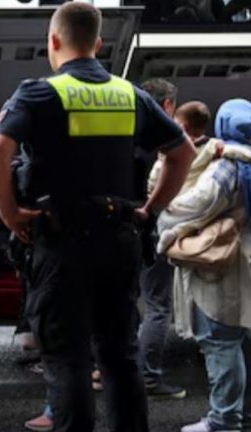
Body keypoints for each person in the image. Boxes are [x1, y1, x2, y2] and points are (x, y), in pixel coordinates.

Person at [0, 4, 196, 432]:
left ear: (53, 40)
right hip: (119, 237)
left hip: (62, 243)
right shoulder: (130, 94)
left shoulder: (39, 93)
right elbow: (182, 152)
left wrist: (11, 214)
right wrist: (149, 209)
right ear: (98, 44)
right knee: (120, 357)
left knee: (68, 360)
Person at [157, 99, 251, 432]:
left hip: (222, 268)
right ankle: (240, 414)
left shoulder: (229, 167)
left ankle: (224, 419)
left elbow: (196, 205)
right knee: (240, 342)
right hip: (244, 262)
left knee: (220, 343)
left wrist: (163, 210)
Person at [134, 77, 189, 400]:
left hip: (123, 227)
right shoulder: (167, 139)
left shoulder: (127, 131)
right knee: (157, 305)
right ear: (168, 105)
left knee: (125, 301)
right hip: (154, 228)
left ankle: (106, 368)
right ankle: (148, 377)